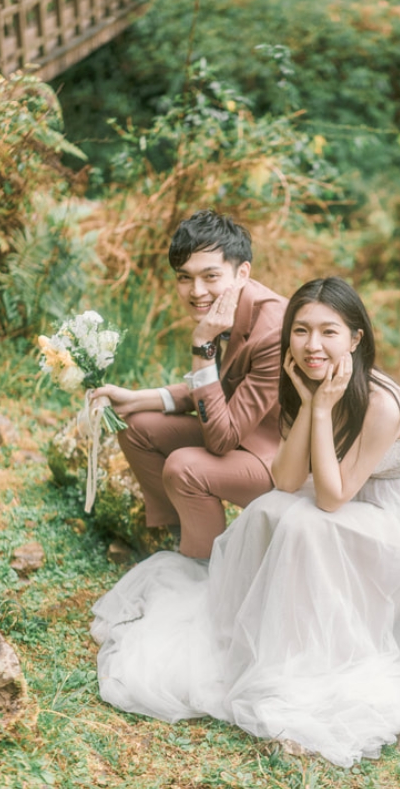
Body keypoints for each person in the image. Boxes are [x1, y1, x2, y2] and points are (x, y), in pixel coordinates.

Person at [90, 277, 400, 767]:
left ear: (356, 339)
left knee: (301, 526)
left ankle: (302, 658)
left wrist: (321, 409)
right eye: (301, 331)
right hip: (346, 495)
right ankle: (254, 644)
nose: (312, 345)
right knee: (269, 510)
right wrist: (310, 401)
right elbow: (288, 481)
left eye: (329, 333)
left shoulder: (382, 403)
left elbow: (333, 498)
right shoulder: (304, 383)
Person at [92, 209, 286, 558]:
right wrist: (139, 399)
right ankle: (181, 529)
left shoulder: (272, 330)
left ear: (242, 272)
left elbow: (222, 440)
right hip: (242, 432)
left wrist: (202, 344)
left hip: (279, 460)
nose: (196, 291)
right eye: (185, 278)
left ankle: (205, 566)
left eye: (210, 276)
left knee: (184, 467)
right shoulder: (228, 308)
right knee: (135, 426)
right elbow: (224, 387)